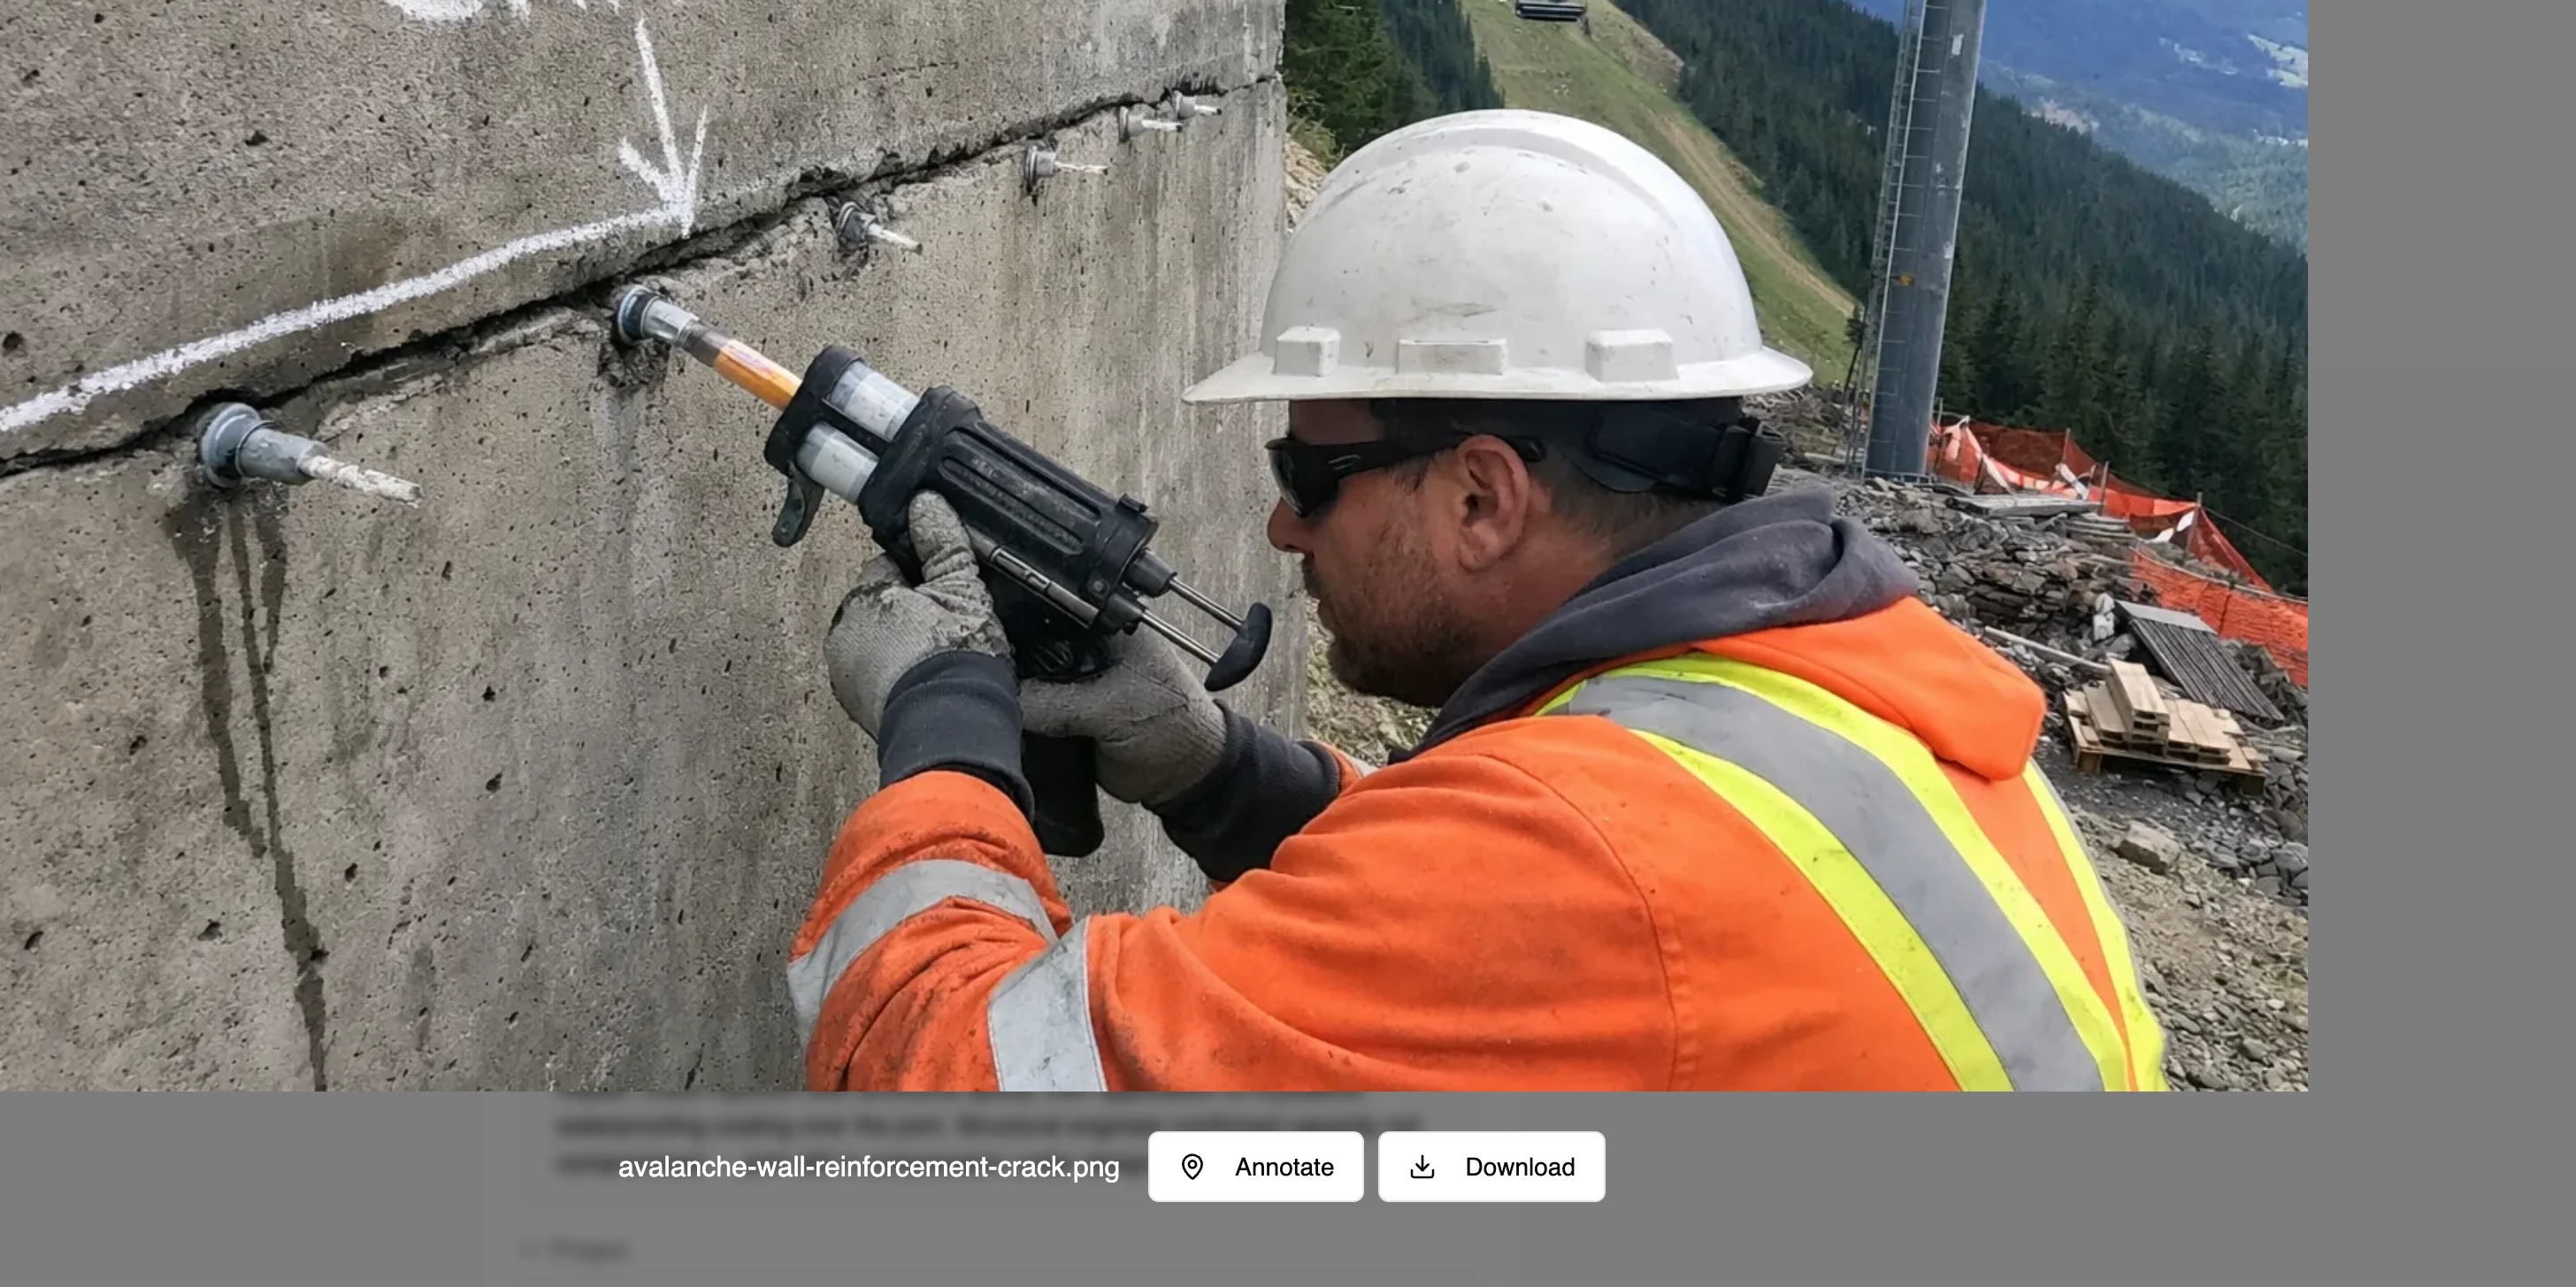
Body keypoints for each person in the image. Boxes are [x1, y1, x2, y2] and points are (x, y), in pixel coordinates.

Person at [794, 109, 2167, 1091]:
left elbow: (936, 1080)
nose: (1282, 523)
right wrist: (1221, 778)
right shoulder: (1854, 689)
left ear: (1480, 497)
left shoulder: (1579, 864)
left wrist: (943, 730)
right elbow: (1515, 940)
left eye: (1309, 472)